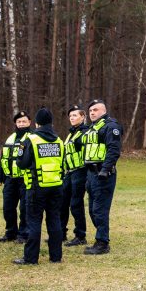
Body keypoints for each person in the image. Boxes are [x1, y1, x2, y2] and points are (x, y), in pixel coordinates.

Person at [13, 107, 64, 265]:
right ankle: (56, 257)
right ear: (51, 123)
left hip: (36, 186)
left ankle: (30, 258)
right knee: (54, 220)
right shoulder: (58, 140)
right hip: (56, 185)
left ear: (36, 123)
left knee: (34, 222)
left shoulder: (31, 140)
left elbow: (21, 163)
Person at [82, 98, 123, 255]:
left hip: (103, 174)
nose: (92, 113)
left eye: (96, 110)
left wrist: (105, 169)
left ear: (104, 111)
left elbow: (113, 150)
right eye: (91, 111)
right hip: (91, 174)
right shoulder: (92, 128)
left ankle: (102, 243)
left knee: (100, 210)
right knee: (93, 209)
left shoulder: (110, 127)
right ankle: (100, 239)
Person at [0, 110, 32, 243]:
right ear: (15, 123)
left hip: (25, 178)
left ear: (29, 122)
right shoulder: (10, 138)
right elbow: (4, 158)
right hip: (10, 179)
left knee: (24, 208)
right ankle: (10, 232)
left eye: (24, 121)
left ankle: (24, 234)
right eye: (19, 121)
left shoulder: (32, 137)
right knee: (8, 207)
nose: (21, 124)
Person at [62, 104, 89, 247]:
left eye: (75, 115)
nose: (72, 118)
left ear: (83, 117)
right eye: (70, 116)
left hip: (80, 171)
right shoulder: (71, 133)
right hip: (69, 172)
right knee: (62, 202)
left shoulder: (85, 132)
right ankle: (61, 233)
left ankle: (80, 235)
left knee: (76, 204)